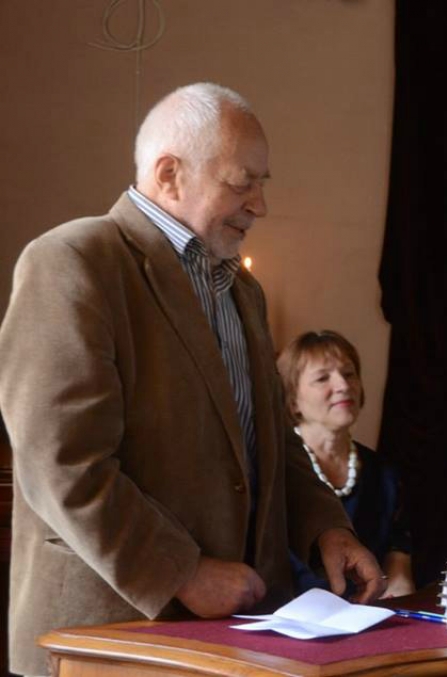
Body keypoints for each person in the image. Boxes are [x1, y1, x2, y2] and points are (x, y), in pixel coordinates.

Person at [0, 83, 386, 676]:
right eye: (243, 182)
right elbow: (61, 463)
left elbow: (272, 443)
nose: (260, 204)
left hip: (238, 642)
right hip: (106, 641)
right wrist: (181, 572)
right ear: (169, 174)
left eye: (263, 184)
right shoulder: (73, 260)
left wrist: (327, 529)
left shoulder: (242, 291)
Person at [277, 330, 415, 598]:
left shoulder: (385, 474)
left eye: (349, 374)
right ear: (293, 401)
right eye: (322, 378)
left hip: (367, 617)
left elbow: (399, 575)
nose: (342, 385)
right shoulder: (277, 470)